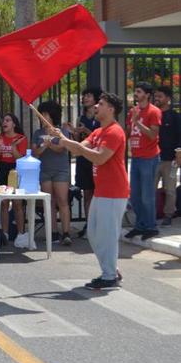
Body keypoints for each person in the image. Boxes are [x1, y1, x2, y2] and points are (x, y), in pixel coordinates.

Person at [48, 93, 128, 290]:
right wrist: (62, 137)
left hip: (115, 191)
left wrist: (72, 144)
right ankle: (111, 270)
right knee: (93, 233)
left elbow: (100, 158)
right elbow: (77, 150)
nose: (96, 107)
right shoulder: (98, 132)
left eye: (100, 104)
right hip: (102, 191)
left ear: (111, 109)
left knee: (107, 236)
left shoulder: (114, 132)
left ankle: (109, 276)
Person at [31, 100, 72, 246]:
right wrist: (44, 146)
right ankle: (53, 232)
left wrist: (51, 144)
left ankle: (66, 232)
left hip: (61, 170)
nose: (42, 117)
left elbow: (62, 148)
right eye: (41, 114)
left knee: (62, 200)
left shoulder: (62, 132)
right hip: (45, 171)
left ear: (52, 115)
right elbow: (35, 152)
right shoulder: (37, 133)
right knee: (49, 202)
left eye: (45, 114)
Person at [125, 81, 162, 240]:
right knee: (134, 195)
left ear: (147, 94)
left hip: (149, 157)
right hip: (136, 157)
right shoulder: (133, 111)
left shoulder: (154, 111)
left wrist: (137, 122)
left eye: (139, 92)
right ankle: (140, 225)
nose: (136, 94)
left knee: (147, 195)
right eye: (136, 91)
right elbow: (127, 132)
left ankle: (150, 226)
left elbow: (153, 135)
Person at [68, 87, 102, 237]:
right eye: (84, 96)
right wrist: (74, 134)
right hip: (83, 159)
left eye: (88, 95)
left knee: (99, 193)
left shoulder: (101, 117)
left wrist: (88, 131)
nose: (85, 98)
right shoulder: (80, 118)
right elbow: (78, 143)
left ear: (96, 99)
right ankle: (89, 225)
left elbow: (102, 139)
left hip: (98, 158)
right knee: (87, 193)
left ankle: (99, 225)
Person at [0, 113, 28, 247]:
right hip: (2, 169)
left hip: (15, 169)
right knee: (4, 202)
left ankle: (20, 234)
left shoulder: (21, 138)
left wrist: (13, 147)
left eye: (8, 120)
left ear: (14, 123)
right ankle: (5, 234)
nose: (4, 122)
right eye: (3, 120)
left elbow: (21, 159)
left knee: (17, 203)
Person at [153, 86, 181, 226]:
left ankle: (168, 214)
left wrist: (178, 155)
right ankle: (150, 214)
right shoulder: (152, 115)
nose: (157, 99)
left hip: (170, 159)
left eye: (160, 96)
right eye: (156, 96)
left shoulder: (175, 116)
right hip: (152, 158)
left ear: (168, 99)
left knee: (170, 189)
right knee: (149, 188)